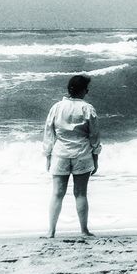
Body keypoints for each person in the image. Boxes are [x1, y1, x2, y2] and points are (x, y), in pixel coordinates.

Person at [43, 74, 102, 238]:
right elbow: (94, 136)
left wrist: (48, 156)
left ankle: (51, 231)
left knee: (57, 193)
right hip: (82, 153)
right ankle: (84, 230)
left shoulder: (56, 107)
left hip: (60, 153)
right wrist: (96, 157)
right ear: (83, 90)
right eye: (87, 89)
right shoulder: (87, 108)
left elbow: (49, 133)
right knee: (81, 193)